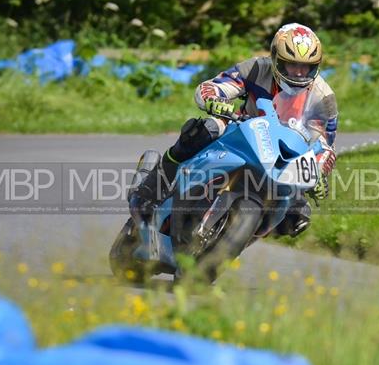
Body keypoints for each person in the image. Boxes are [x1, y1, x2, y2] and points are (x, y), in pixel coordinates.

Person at [130, 22, 338, 238]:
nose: (299, 73)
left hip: (284, 158)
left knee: (299, 215)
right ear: (276, 59)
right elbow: (214, 86)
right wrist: (214, 99)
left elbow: (325, 145)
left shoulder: (324, 97)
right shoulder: (257, 68)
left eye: (307, 67)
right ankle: (150, 191)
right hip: (242, 131)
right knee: (205, 129)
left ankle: (239, 238)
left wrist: (319, 173)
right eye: (291, 65)